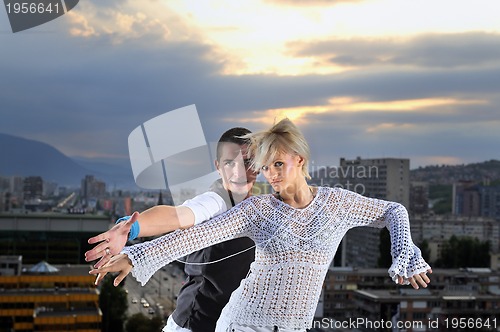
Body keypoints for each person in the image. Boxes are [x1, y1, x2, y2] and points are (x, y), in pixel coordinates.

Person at [90, 118, 432, 332]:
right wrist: (135, 247)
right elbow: (188, 229)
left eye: (278, 164)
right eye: (267, 167)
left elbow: (393, 210)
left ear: (300, 159)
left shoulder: (336, 203)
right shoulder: (247, 207)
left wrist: (405, 251)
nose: (272, 174)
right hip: (231, 323)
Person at [85, 127, 258, 332]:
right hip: (195, 324)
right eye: (230, 163)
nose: (239, 173)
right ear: (218, 167)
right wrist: (132, 228)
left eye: (247, 162)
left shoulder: (259, 207)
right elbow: (180, 215)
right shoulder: (215, 202)